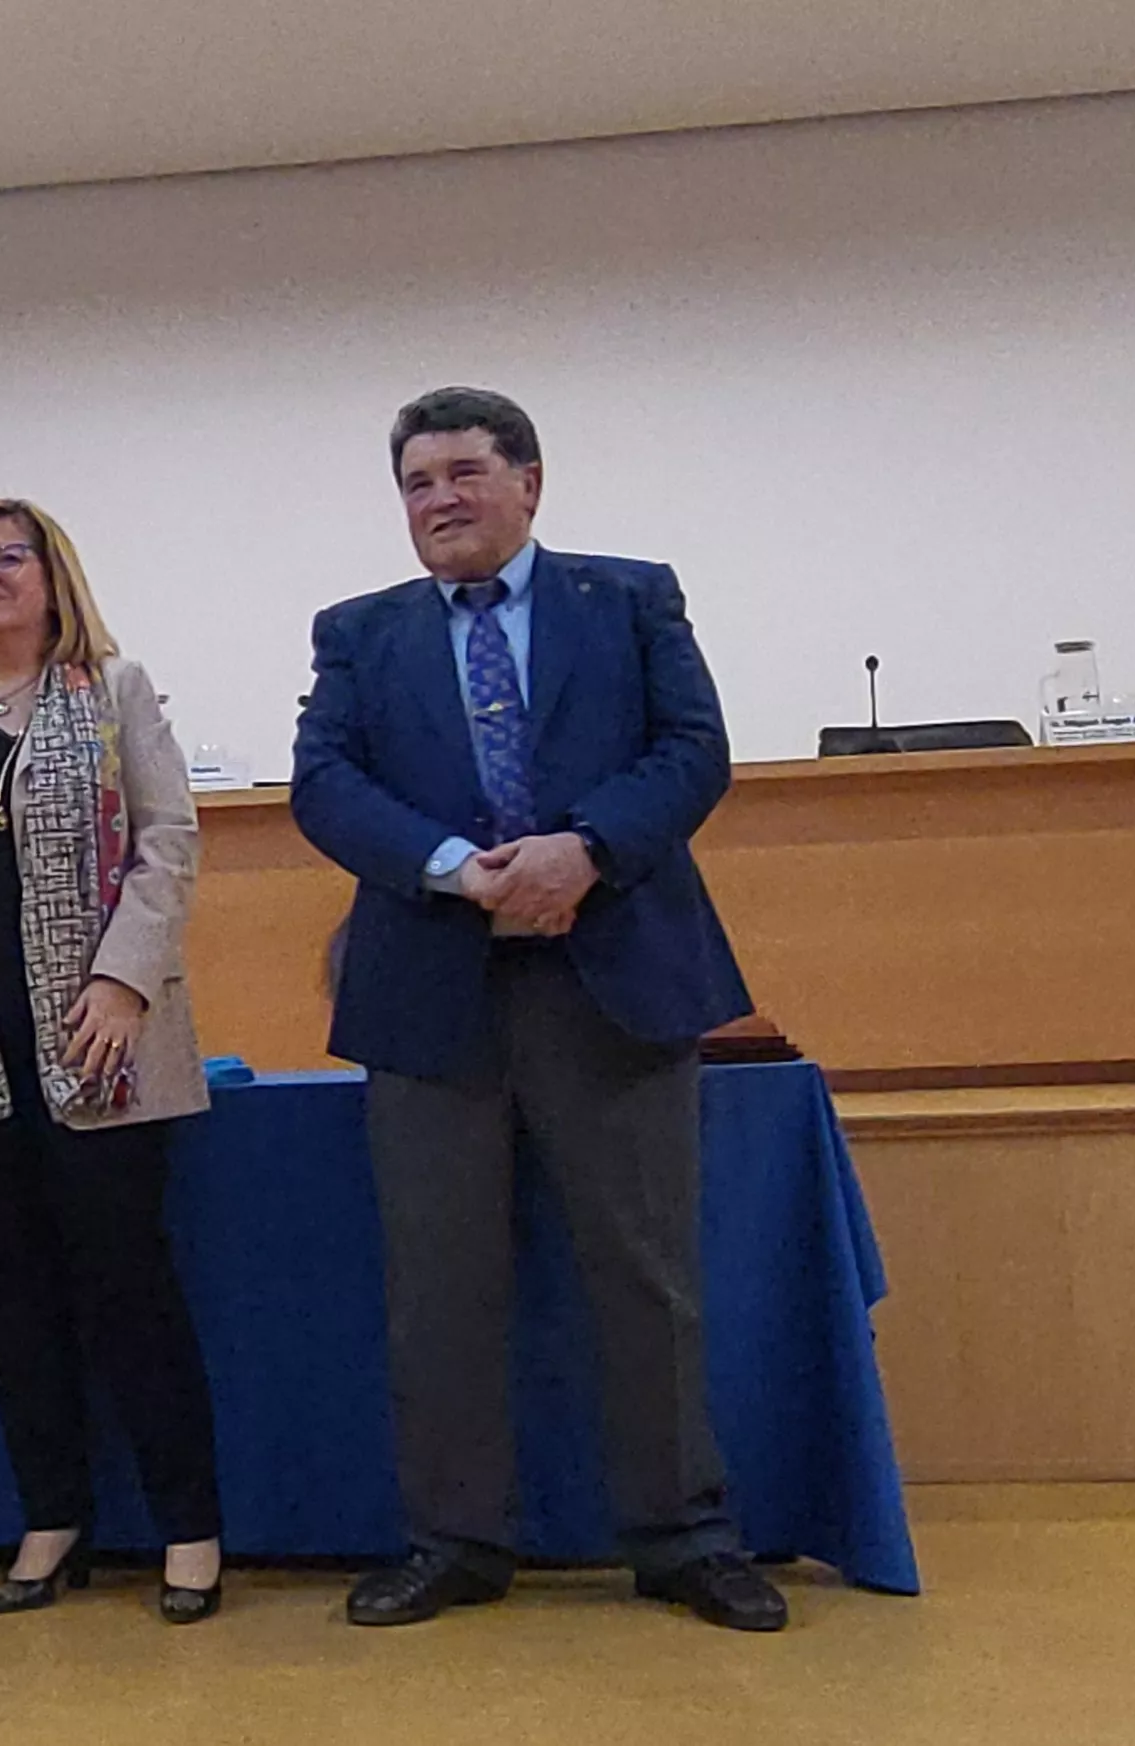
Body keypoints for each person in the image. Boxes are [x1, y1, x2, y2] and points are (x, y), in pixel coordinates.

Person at [289, 387, 786, 1633]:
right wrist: (462, 868)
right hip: (428, 992)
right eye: (414, 483)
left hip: (612, 975)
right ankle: (454, 1540)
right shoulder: (357, 632)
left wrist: (581, 852)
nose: (438, 500)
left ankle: (682, 1538)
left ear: (529, 483)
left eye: (462, 472)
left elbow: (691, 751)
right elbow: (325, 788)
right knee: (438, 1285)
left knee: (644, 1276)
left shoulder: (624, 600)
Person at [0, 500, 225, 1623]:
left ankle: (186, 1527)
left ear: (49, 575)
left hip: (100, 1049)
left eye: (5, 558)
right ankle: (51, 1514)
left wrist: (124, 980)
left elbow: (169, 841)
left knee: (129, 1294)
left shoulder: (113, 692)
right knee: (13, 1299)